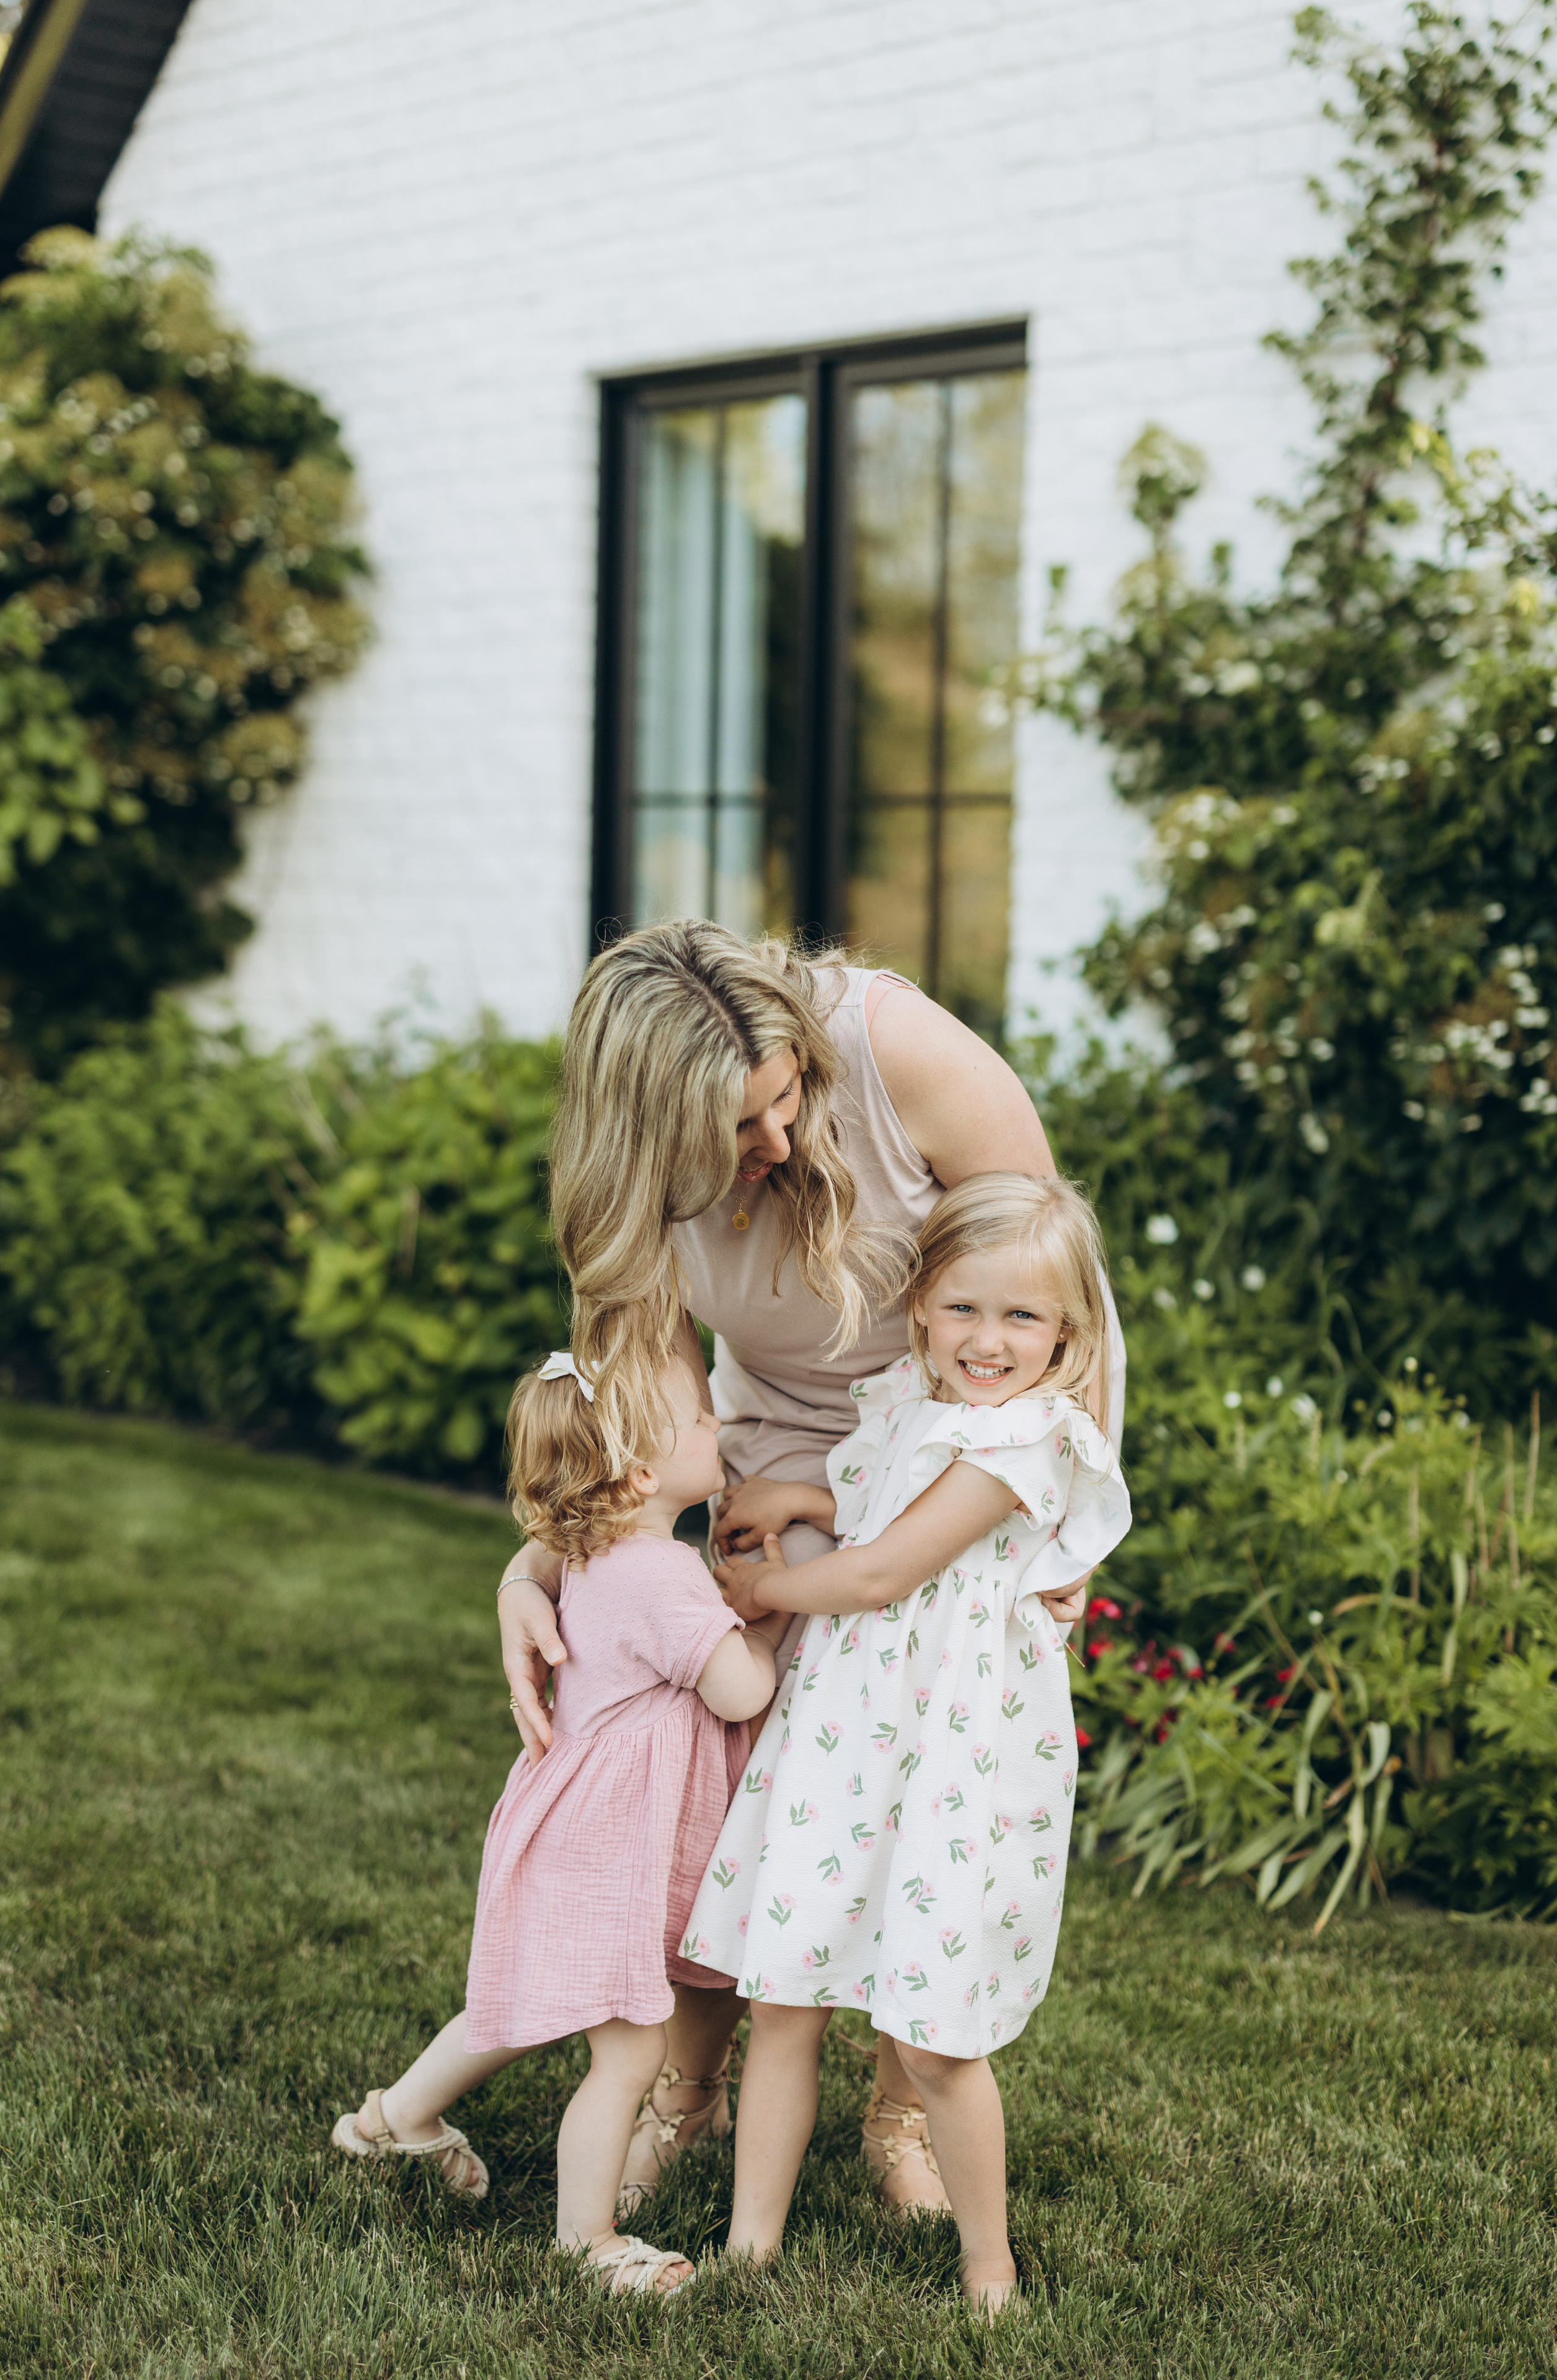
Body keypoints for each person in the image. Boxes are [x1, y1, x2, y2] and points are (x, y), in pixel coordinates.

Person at [496, 922, 1124, 2211]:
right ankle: (690, 2088)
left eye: (782, 1098)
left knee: (925, 1787)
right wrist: (560, 1565)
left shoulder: (903, 1055)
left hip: (956, 1452)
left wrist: (1062, 1517)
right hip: (777, 1449)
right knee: (723, 1778)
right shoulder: (626, 1195)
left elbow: (1061, 1291)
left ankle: (901, 2118)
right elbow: (646, 1413)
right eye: (734, 1131)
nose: (773, 1143)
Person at [687, 1173, 1132, 2316]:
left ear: (1067, 1333)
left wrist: (769, 1584)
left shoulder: (1033, 1440)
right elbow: (872, 1504)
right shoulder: (906, 1401)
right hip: (847, 1734)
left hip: (952, 1750)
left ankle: (990, 2263)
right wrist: (796, 1490)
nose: (989, 1341)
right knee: (785, 1998)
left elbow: (888, 1569)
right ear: (923, 1305)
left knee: (935, 2032)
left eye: (1023, 1317)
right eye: (965, 1308)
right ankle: (750, 2248)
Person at [331, 1349, 784, 2298]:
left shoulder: (587, 1556)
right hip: (607, 1844)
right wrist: (767, 1614)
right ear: (648, 1475)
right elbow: (741, 1693)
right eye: (704, 1423)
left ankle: (396, 2117)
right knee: (628, 2050)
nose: (720, 1430)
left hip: (569, 1828)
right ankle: (588, 2240)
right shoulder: (662, 1575)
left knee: (529, 1997)